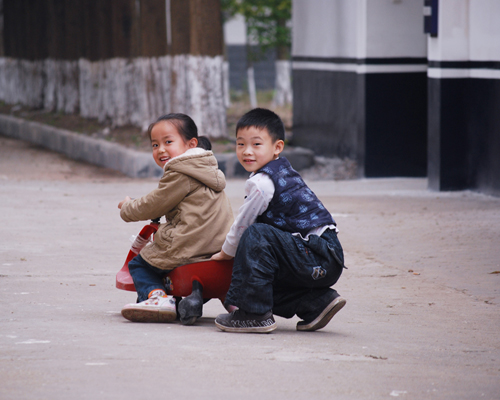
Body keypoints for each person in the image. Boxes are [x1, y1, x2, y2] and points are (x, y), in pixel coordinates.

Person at [211, 108, 346, 333]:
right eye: (240, 144)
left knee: (255, 235)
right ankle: (317, 303)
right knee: (260, 278)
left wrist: (225, 253)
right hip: (324, 259)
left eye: (256, 144)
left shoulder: (262, 182)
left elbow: (243, 225)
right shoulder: (282, 171)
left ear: (277, 147)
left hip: (316, 254)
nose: (247, 151)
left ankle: (254, 314)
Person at [118, 113, 233, 324]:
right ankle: (222, 303)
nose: (160, 149)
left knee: (140, 265)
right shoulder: (208, 170)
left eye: (168, 142)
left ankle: (157, 297)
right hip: (220, 246)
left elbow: (153, 203)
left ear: (191, 144)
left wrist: (127, 207)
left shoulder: (179, 172)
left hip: (189, 245)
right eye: (154, 144)